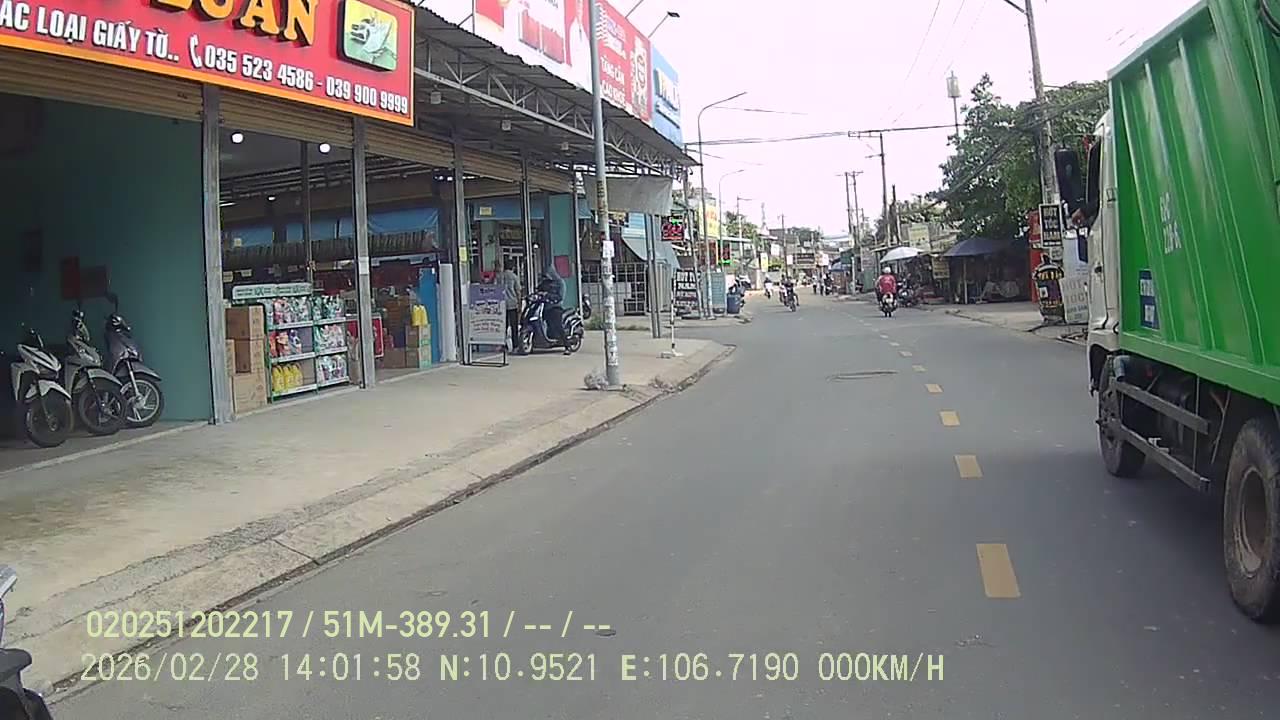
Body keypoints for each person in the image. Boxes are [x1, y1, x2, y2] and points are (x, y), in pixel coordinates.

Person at [494, 257, 522, 351]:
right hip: (512, 304)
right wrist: (519, 304)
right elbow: (518, 292)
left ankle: (503, 344)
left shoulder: (499, 277)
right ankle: (515, 346)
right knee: (514, 326)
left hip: (502, 304)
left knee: (503, 326)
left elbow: (495, 289)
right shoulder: (514, 277)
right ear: (513, 267)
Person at [537, 265, 566, 340]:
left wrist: (548, 295)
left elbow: (560, 297)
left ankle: (566, 343)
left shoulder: (560, 283)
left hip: (556, 306)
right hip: (545, 306)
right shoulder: (546, 282)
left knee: (557, 325)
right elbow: (539, 289)